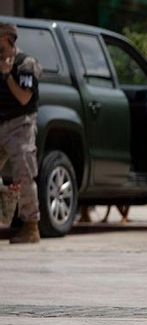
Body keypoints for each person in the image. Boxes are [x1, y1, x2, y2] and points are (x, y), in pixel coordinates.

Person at [0, 22, 42, 244]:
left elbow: (24, 98)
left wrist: (7, 76)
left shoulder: (25, 64)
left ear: (6, 39)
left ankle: (30, 226)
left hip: (20, 124)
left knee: (23, 174)